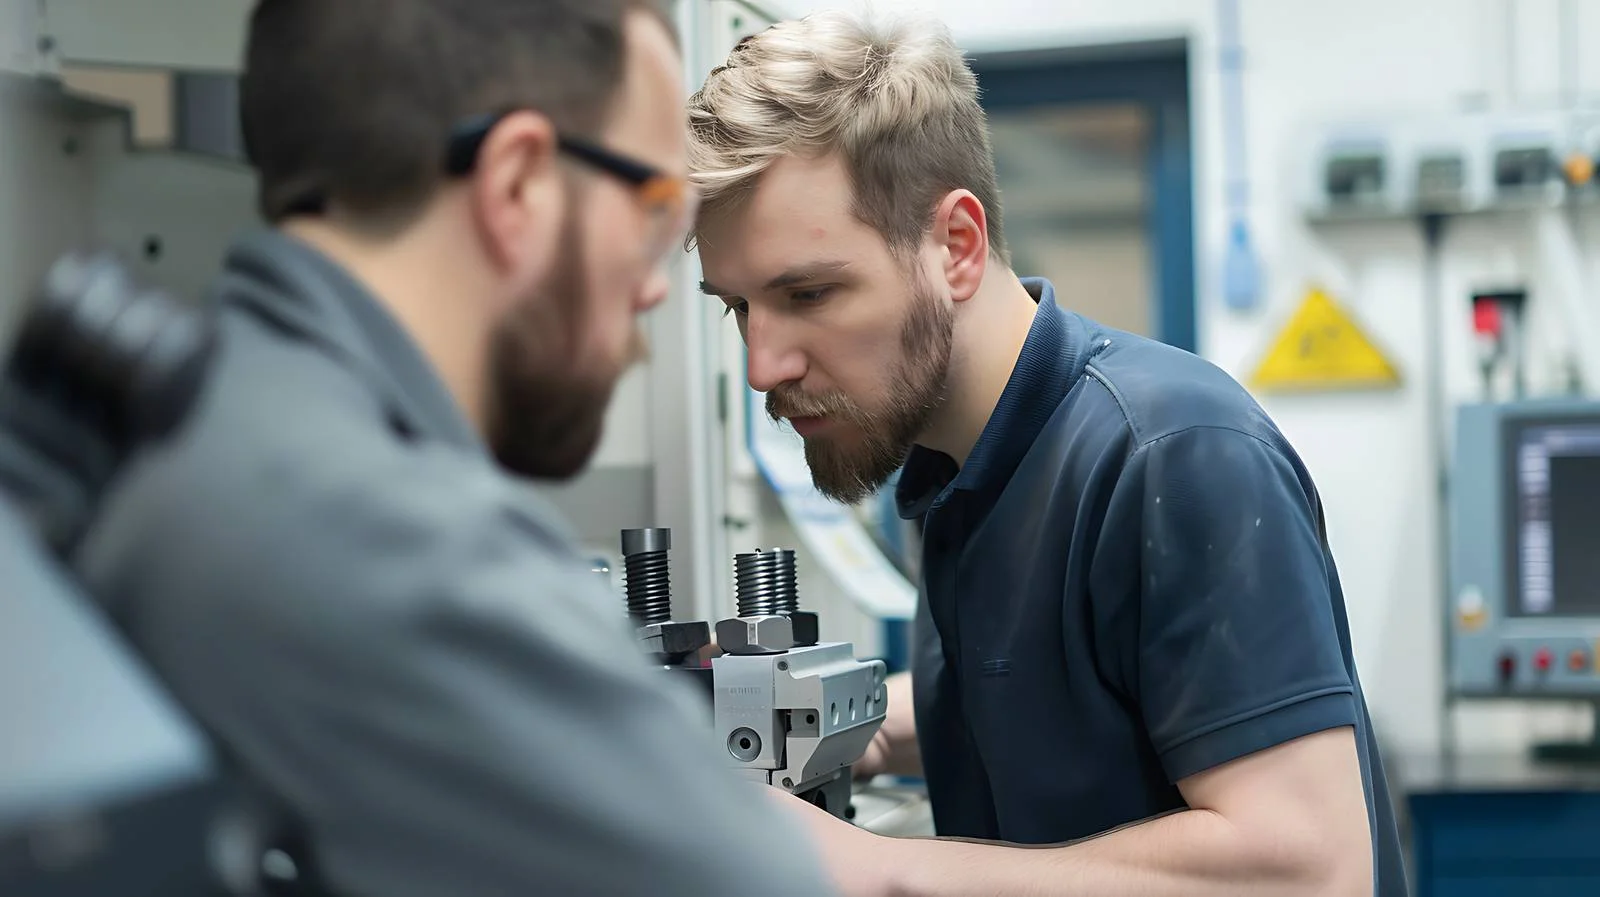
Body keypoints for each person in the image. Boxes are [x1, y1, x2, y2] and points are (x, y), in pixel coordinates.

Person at [71, 2, 841, 895]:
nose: (654, 293)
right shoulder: (390, 538)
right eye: (656, 210)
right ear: (517, 185)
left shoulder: (193, 430)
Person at [687, 8, 1407, 897]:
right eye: (738, 308)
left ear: (955, 245)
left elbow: (1308, 872)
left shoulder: (1170, 455)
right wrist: (857, 727)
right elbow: (1064, 695)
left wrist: (874, 870)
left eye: (809, 291)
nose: (765, 364)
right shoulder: (963, 468)